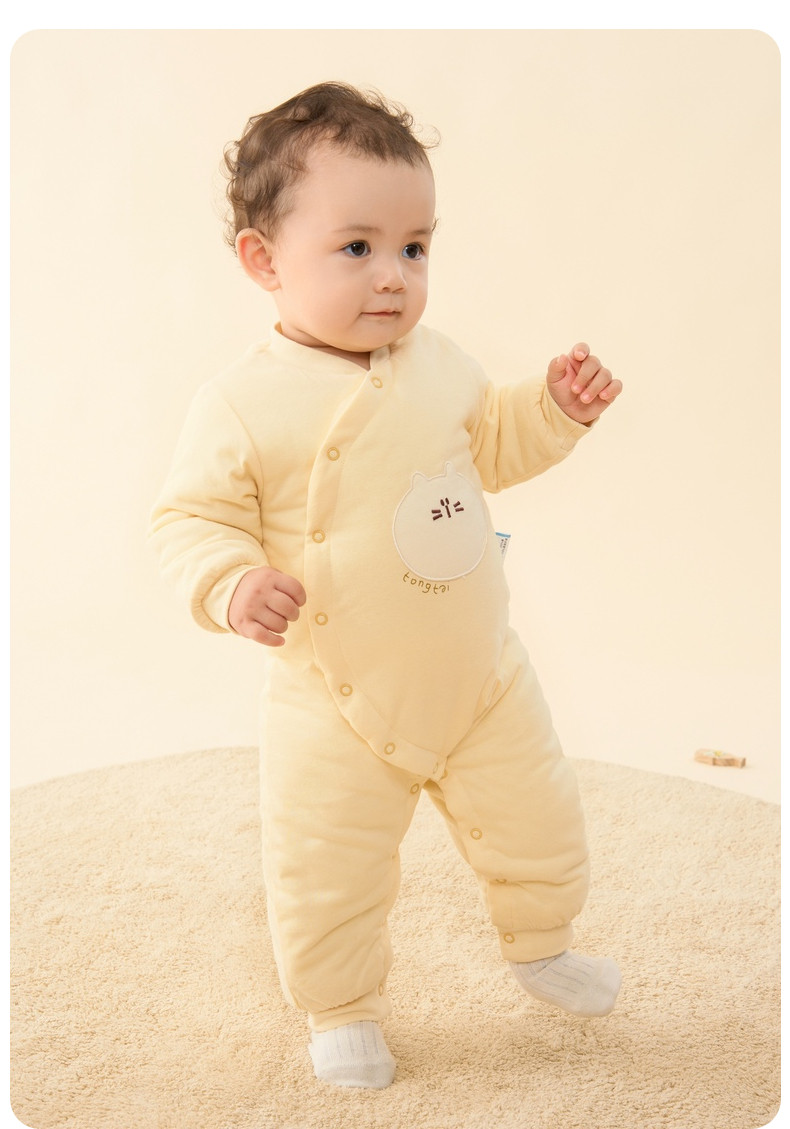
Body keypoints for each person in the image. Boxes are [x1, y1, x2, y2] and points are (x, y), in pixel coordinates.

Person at [149, 81, 624, 1090]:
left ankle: (543, 942)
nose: (393, 277)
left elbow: (493, 440)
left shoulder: (438, 364)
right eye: (357, 246)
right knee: (328, 865)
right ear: (265, 261)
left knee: (539, 815)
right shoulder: (241, 402)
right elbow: (190, 519)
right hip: (336, 694)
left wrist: (554, 408)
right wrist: (231, 582)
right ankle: (342, 1006)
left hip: (480, 673)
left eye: (415, 248)